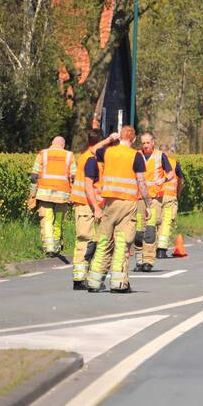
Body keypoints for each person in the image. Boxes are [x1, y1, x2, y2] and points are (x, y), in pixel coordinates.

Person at [85, 126, 150, 293]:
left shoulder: (108, 152)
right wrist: (148, 204)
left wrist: (108, 139)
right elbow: (141, 183)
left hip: (108, 204)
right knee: (122, 242)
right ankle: (118, 283)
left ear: (119, 137)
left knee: (104, 241)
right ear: (134, 139)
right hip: (127, 204)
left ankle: (93, 281)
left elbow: (93, 150)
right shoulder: (136, 156)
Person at [70, 129, 113, 290]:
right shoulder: (90, 161)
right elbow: (88, 187)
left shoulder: (88, 156)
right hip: (85, 206)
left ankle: (84, 276)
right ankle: (79, 279)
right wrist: (96, 208)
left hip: (87, 206)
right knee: (85, 241)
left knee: (91, 242)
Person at [28, 136, 76, 257]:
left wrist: (32, 194)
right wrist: (73, 196)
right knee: (58, 219)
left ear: (51, 144)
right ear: (63, 145)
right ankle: (56, 245)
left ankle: (49, 249)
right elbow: (74, 178)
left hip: (44, 195)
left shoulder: (43, 154)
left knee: (47, 219)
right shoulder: (69, 155)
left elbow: (34, 176)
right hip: (62, 196)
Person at [133, 133, 172, 272]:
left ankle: (148, 261)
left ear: (153, 143)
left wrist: (164, 179)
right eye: (143, 143)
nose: (145, 145)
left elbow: (171, 173)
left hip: (154, 199)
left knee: (150, 230)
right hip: (139, 199)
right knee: (138, 231)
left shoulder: (160, 156)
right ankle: (139, 260)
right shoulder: (136, 155)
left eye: (148, 143)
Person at [156, 145, 184, 257]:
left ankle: (149, 250)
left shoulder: (153, 162)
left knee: (155, 222)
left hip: (155, 197)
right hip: (170, 197)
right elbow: (181, 180)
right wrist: (179, 193)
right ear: (168, 152)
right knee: (166, 222)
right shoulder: (174, 163)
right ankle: (161, 250)